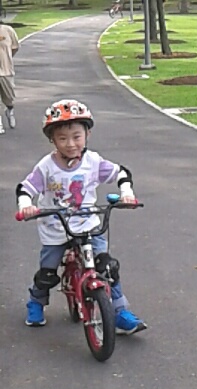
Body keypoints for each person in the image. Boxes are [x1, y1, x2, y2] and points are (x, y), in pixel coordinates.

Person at [16, 99, 147, 335]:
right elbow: (26, 188)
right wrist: (27, 205)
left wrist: (126, 192)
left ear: (87, 134)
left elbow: (121, 173)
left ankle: (119, 312)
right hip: (56, 226)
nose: (70, 144)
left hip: (88, 224)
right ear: (52, 140)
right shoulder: (46, 166)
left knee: (107, 268)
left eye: (77, 136)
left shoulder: (93, 162)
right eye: (62, 138)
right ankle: (36, 302)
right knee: (47, 272)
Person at [0, 17, 19, 134]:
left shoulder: (8, 30)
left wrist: (7, 58)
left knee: (10, 98)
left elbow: (15, 47)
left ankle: (9, 110)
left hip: (6, 71)